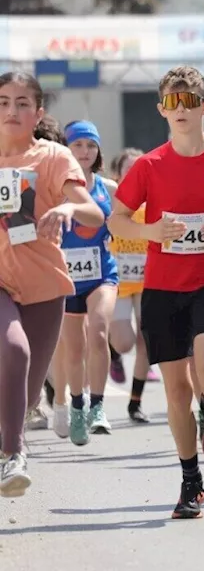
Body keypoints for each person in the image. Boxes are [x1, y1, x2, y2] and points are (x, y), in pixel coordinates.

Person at [108, 65, 204, 519]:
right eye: (172, 102)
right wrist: (151, 230)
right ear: (161, 109)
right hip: (162, 289)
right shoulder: (150, 165)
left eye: (189, 101)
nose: (180, 110)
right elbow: (117, 219)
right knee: (175, 391)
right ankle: (190, 481)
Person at [0, 72, 105, 498]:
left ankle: (8, 437)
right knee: (14, 349)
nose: (12, 111)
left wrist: (64, 207)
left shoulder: (53, 157)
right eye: (3, 101)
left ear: (38, 112)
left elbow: (93, 213)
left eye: (22, 103)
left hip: (44, 283)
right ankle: (15, 455)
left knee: (23, 401)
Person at [54, 120, 119, 444]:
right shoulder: (54, 187)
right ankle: (75, 405)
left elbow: (129, 218)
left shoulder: (108, 188)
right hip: (65, 279)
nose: (85, 151)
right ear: (66, 149)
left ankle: (97, 406)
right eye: (78, 145)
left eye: (90, 145)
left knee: (99, 331)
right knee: (74, 348)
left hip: (102, 274)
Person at [105, 148, 154, 424]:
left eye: (140, 167)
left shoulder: (156, 199)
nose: (135, 173)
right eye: (128, 168)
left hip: (147, 280)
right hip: (119, 281)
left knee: (145, 341)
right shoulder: (113, 201)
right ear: (118, 174)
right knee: (124, 343)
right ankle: (114, 354)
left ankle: (135, 403)